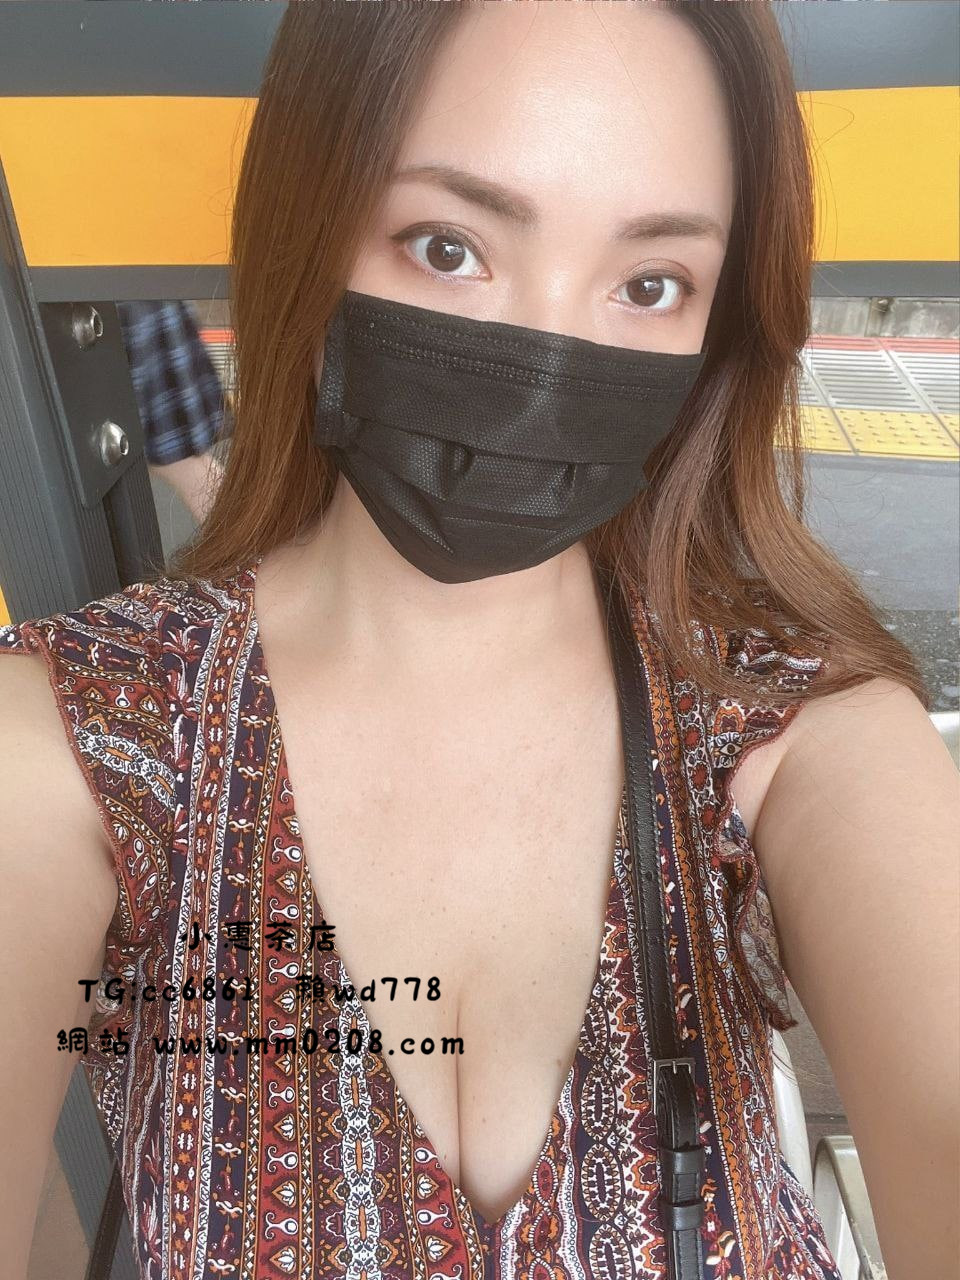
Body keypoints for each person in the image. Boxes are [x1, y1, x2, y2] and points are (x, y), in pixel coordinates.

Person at [0, 5, 956, 1280]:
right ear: (309, 227)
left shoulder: (792, 722)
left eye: (650, 283)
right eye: (449, 247)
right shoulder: (78, 733)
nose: (545, 366)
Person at [116, 299, 231, 524]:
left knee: (183, 463)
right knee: (186, 463)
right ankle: (259, 539)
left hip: (118, 302)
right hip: (134, 295)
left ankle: (255, 541)